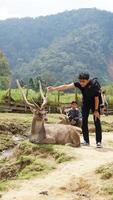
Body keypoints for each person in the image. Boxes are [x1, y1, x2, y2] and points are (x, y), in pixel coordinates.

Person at [47, 72, 102, 148]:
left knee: (97, 120)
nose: (81, 83)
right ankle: (86, 141)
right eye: (80, 81)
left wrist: (96, 110)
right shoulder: (79, 84)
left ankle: (98, 142)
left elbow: (97, 99)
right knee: (84, 121)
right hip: (86, 103)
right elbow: (66, 86)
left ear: (88, 80)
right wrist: (54, 88)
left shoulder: (94, 85)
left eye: (83, 81)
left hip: (95, 103)